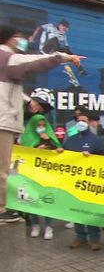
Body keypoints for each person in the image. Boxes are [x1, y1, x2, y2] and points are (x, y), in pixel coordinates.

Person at [0, 25, 81, 222]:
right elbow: (35, 61)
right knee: (1, 169)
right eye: (19, 36)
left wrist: (29, 101)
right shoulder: (7, 57)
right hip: (2, 121)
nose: (23, 40)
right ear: (9, 39)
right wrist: (64, 57)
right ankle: (2, 210)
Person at [62, 112, 104, 250]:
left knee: (90, 210)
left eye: (84, 121)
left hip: (90, 182)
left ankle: (95, 238)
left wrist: (91, 157)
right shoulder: (70, 140)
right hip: (74, 181)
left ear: (89, 122)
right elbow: (64, 157)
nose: (80, 123)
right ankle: (80, 236)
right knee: (76, 210)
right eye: (78, 120)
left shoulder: (96, 140)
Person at [19, 114, 62, 239]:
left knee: (47, 199)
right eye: (38, 126)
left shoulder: (50, 136)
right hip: (32, 174)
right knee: (33, 199)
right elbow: (24, 154)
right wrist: (37, 149)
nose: (41, 128)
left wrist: (50, 141)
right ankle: (35, 225)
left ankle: (49, 227)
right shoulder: (26, 138)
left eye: (43, 125)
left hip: (48, 174)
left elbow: (58, 149)